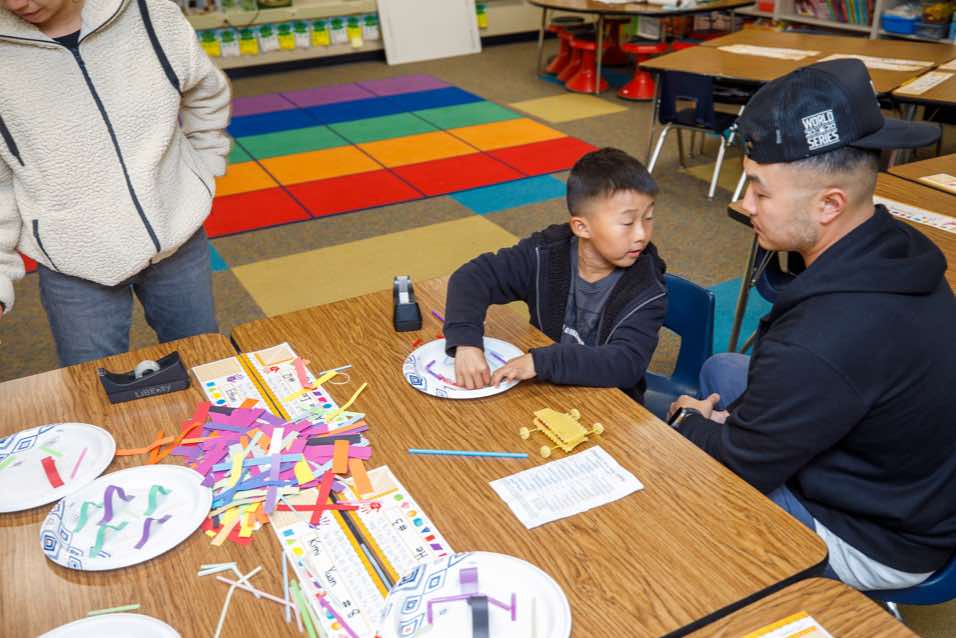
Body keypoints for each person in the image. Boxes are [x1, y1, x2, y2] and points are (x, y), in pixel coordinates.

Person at [669, 59, 956, 591]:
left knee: (679, 473)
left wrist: (689, 423)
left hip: (879, 538)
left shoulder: (822, 339)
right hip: (911, 485)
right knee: (722, 369)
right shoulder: (892, 241)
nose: (743, 204)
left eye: (760, 192)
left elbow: (745, 464)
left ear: (829, 204)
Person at [0, 0, 231, 365]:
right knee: (91, 381)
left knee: (204, 361)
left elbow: (206, 91)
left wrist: (203, 165)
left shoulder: (151, 13)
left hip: (177, 238)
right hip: (74, 261)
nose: (17, 3)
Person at [444, 147, 666, 404]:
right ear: (581, 227)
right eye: (627, 223)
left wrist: (541, 362)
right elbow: (471, 278)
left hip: (610, 403)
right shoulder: (546, 253)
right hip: (545, 391)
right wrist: (466, 343)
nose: (641, 234)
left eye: (648, 218)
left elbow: (626, 364)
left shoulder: (647, 287)